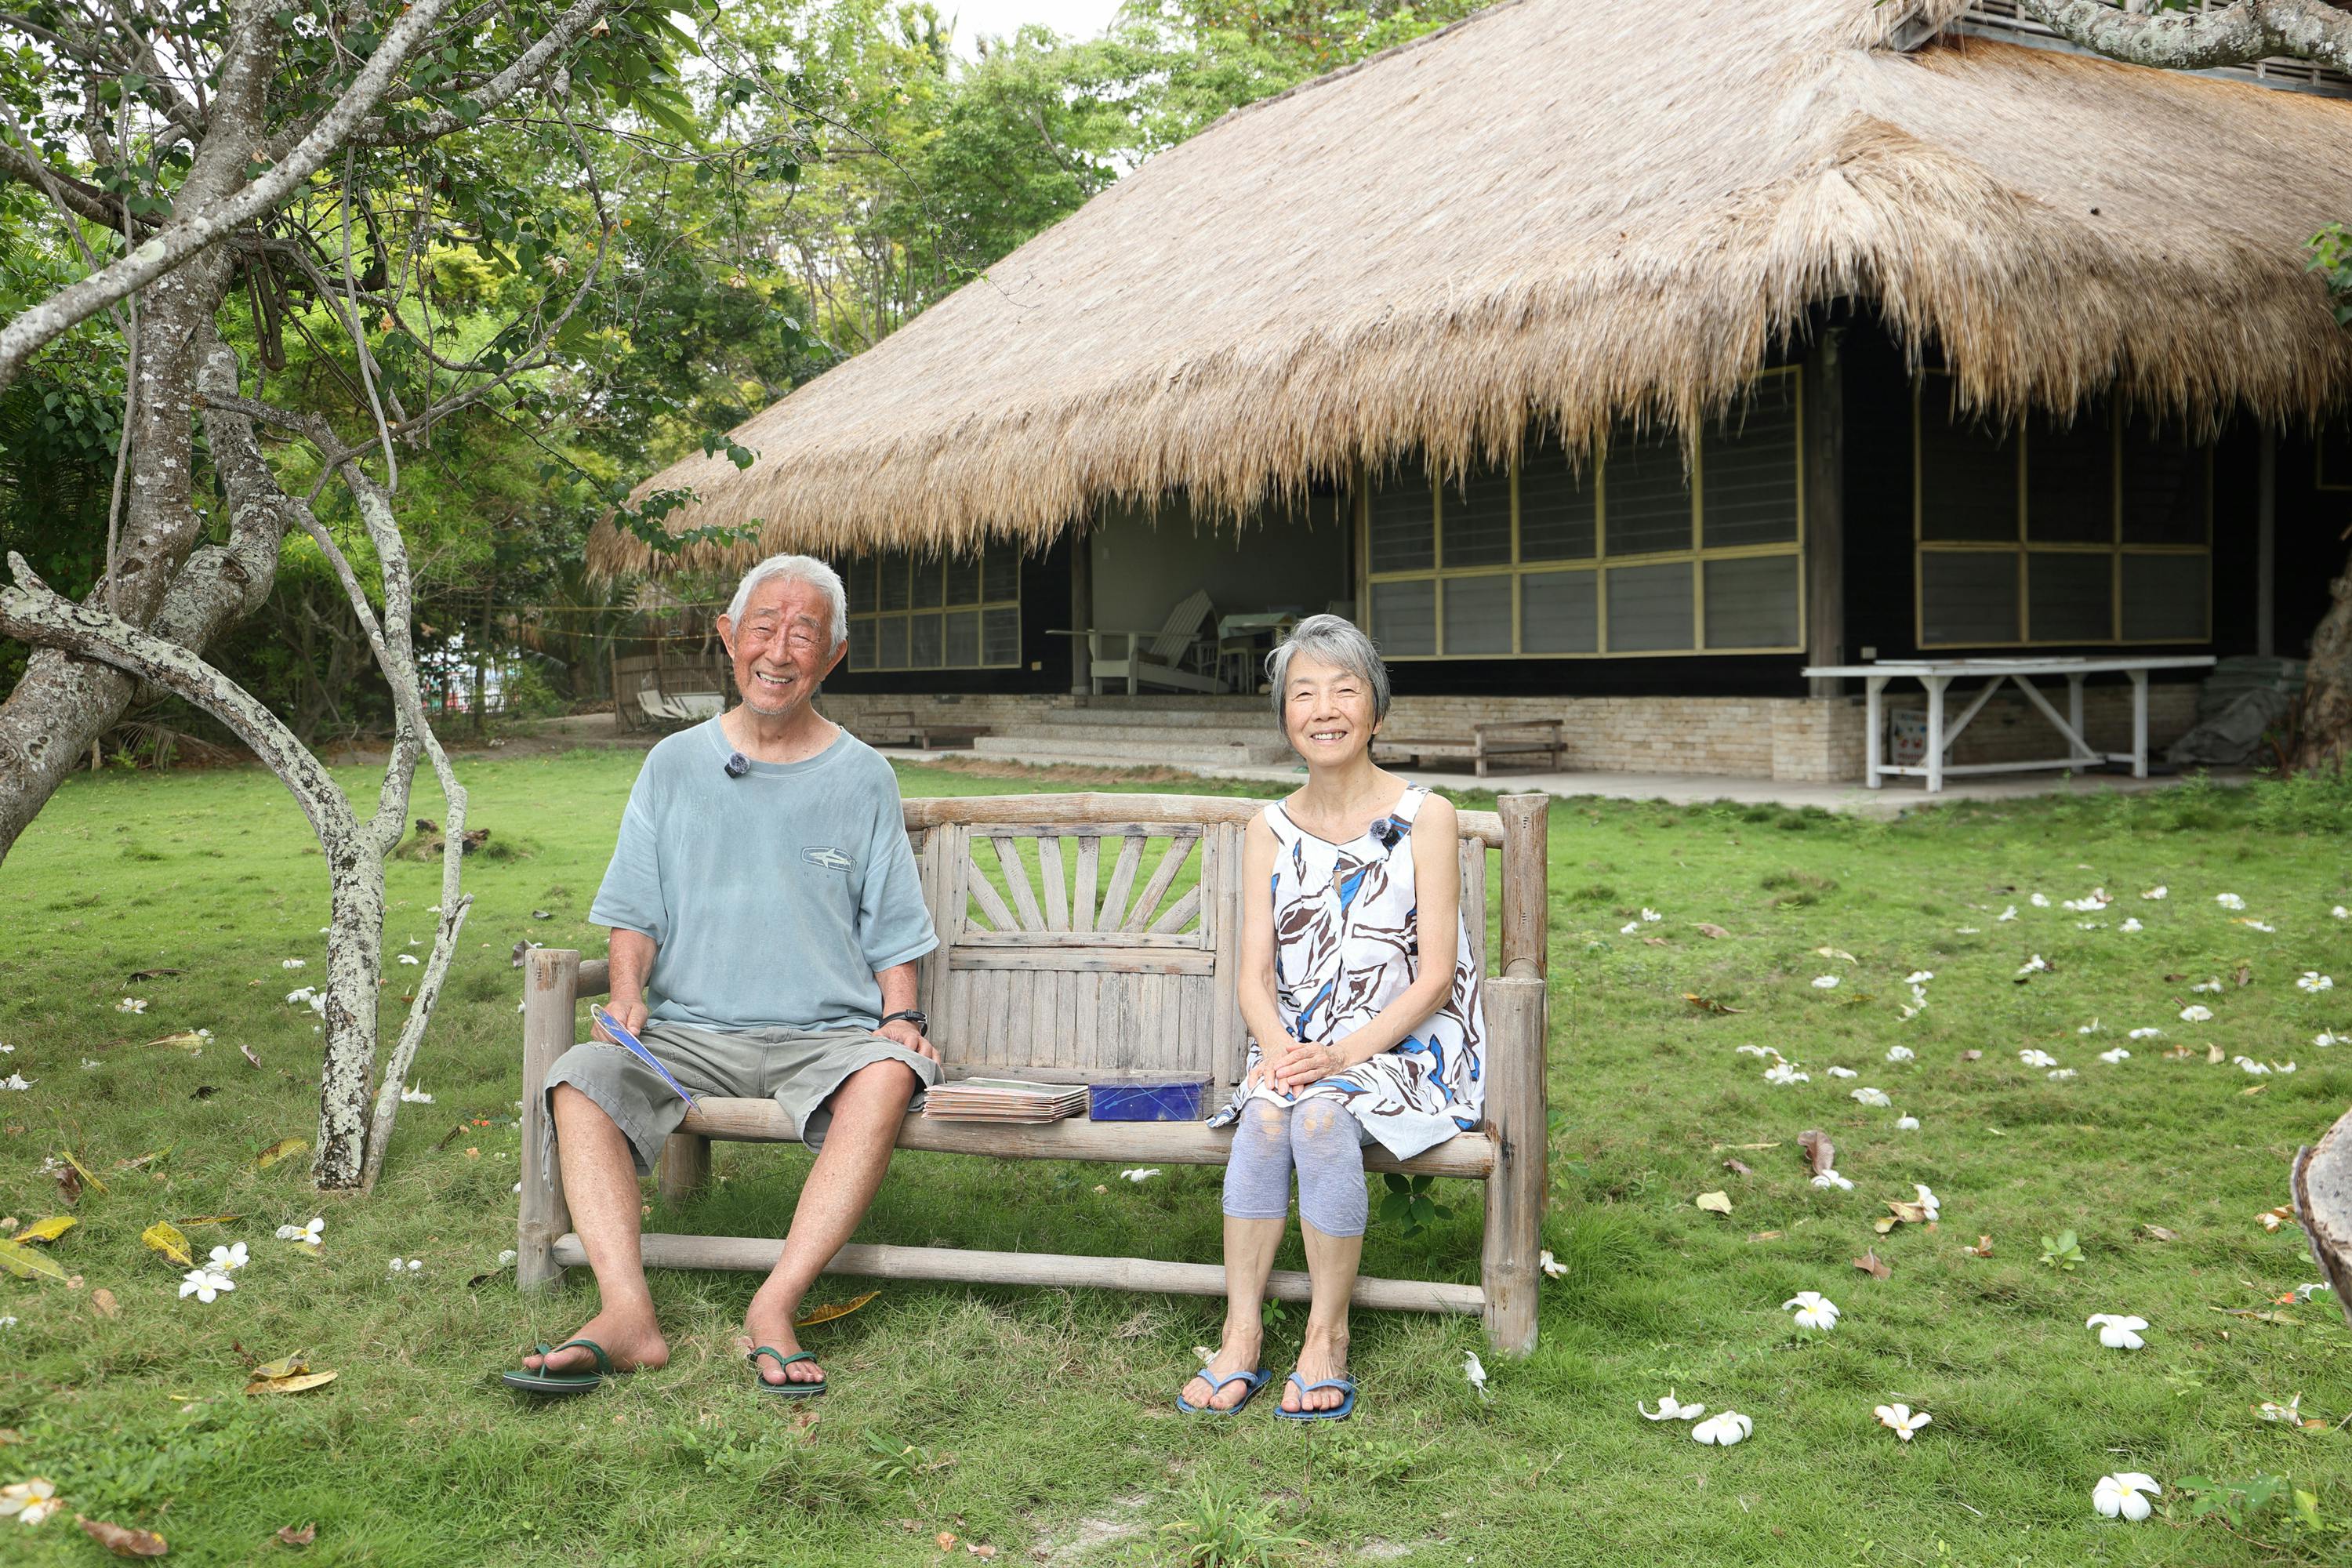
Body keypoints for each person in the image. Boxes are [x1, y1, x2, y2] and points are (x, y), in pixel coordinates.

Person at [505, 554, 940, 1399]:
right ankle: (627, 1314)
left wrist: (901, 1017)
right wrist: (626, 995)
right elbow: (636, 908)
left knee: (890, 1074)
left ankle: (775, 1302)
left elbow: (892, 924)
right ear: (728, 636)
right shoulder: (672, 764)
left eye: (804, 634)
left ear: (834, 655)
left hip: (826, 1039)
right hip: (690, 1037)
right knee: (580, 1078)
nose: (779, 650)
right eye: (763, 628)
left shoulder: (862, 776)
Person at [1180, 615, 1485, 1420]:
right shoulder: (1268, 828)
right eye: (1304, 693)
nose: (1324, 709)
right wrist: (1282, 1049)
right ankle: (1241, 1333)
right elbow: (1253, 976)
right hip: (1300, 1045)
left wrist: (1341, 1054)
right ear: (1284, 715)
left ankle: (1327, 1334)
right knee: (1269, 1114)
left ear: (1376, 710)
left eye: (1345, 691)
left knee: (1316, 1116)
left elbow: (1436, 976)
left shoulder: (1426, 815)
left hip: (1407, 1047)